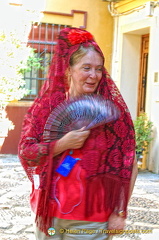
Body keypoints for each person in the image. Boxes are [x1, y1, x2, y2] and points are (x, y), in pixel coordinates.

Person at [18, 27, 138, 240]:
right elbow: (26, 152)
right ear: (68, 69)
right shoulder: (45, 109)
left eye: (99, 69)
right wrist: (61, 144)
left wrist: (119, 212)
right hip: (49, 214)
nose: (94, 75)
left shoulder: (112, 115)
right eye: (86, 68)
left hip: (92, 218)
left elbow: (129, 164)